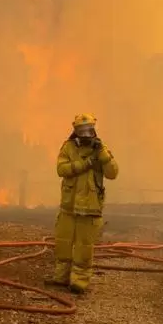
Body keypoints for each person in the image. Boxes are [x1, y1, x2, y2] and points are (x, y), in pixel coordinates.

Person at [51, 113, 119, 293]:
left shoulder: (101, 149)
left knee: (83, 247)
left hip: (90, 207)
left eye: (88, 129)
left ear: (94, 129)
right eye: (81, 130)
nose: (85, 134)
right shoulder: (68, 147)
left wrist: (102, 154)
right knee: (63, 242)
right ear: (75, 130)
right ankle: (61, 277)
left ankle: (79, 282)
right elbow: (61, 169)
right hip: (69, 205)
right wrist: (85, 163)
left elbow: (113, 173)